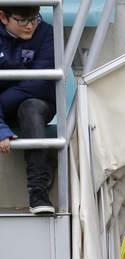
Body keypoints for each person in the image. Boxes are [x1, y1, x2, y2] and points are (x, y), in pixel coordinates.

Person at [0, 5, 56, 213]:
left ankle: (38, 192)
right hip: (5, 109)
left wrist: (2, 102)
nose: (30, 25)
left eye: (34, 18)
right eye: (23, 20)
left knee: (31, 108)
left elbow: (40, 83)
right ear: (3, 17)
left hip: (37, 103)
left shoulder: (46, 32)